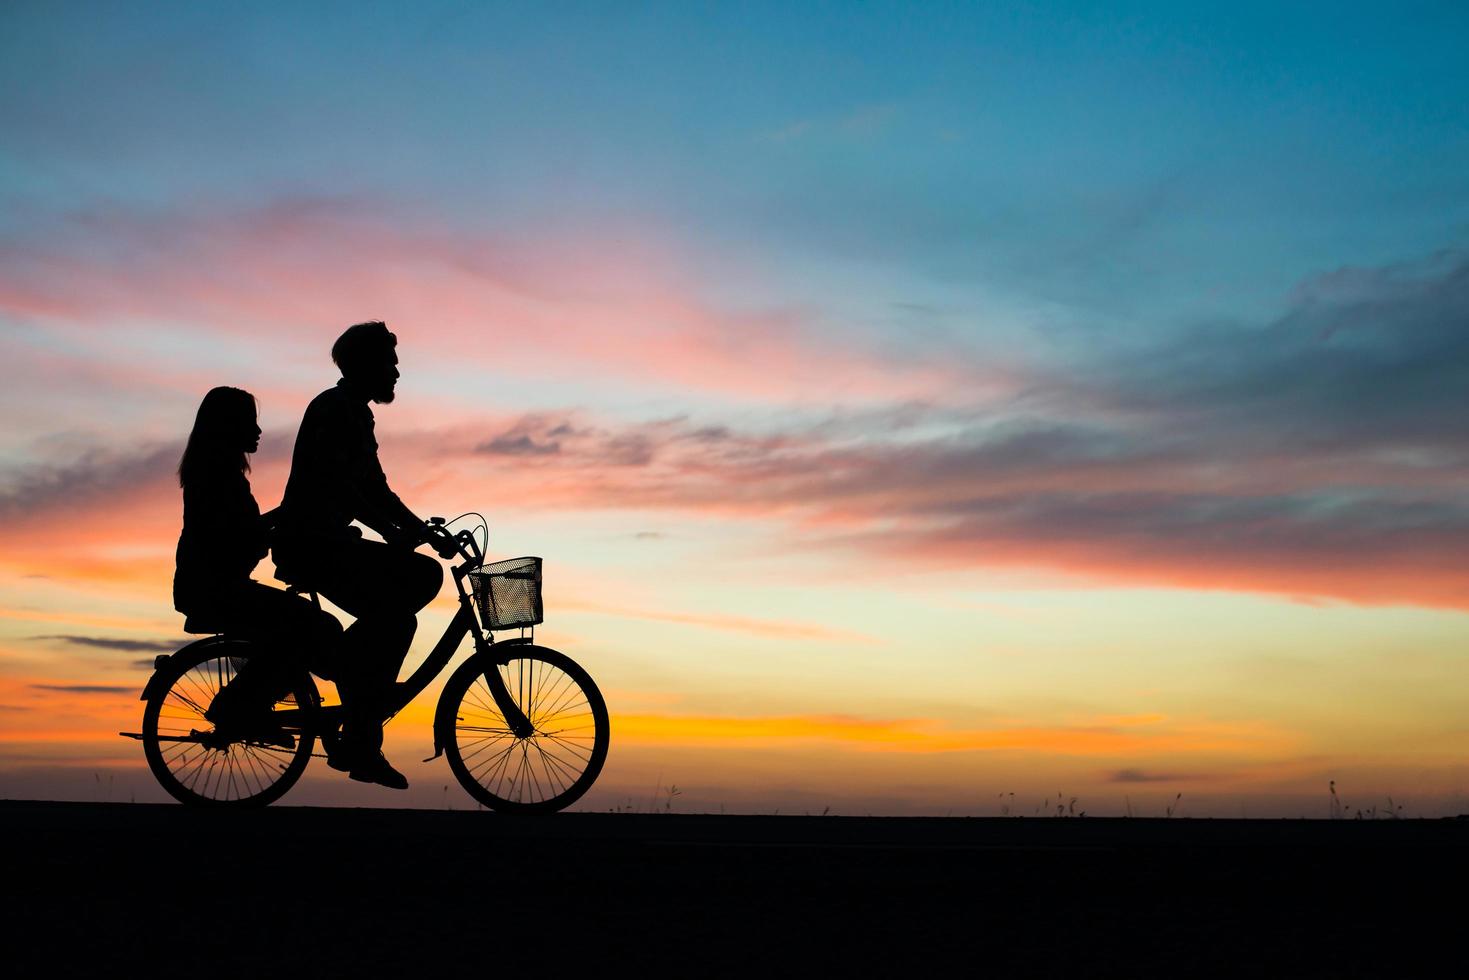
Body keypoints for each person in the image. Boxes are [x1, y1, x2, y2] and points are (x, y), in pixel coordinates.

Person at [273, 321, 452, 790]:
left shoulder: (353, 412)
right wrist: (397, 533)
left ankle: (358, 719)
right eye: (389, 363)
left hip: (327, 543)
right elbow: (348, 489)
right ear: (366, 365)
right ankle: (360, 729)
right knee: (413, 590)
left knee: (401, 611)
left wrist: (418, 530)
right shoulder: (335, 410)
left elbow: (375, 488)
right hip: (312, 545)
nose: (396, 372)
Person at [173, 387, 342, 741]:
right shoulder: (218, 478)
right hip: (216, 590)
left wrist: (288, 519)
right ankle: (242, 704)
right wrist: (290, 516)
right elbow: (237, 536)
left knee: (308, 629)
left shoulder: (215, 474)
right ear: (230, 426)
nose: (258, 431)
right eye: (251, 422)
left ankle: (254, 702)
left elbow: (242, 533)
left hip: (212, 587)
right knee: (315, 627)